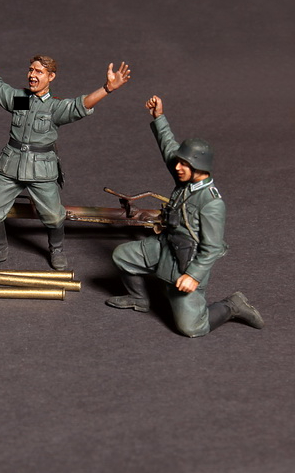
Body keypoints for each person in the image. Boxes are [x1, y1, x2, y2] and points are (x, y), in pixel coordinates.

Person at [0, 30, 131, 270]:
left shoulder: (55, 108)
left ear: (51, 76)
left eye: (39, 72)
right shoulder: (22, 100)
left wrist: (107, 89)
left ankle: (56, 250)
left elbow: (80, 106)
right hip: (11, 166)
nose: (32, 75)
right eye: (31, 70)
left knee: (54, 217)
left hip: (41, 170)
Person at [106, 95, 263, 337]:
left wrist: (193, 276)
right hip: (164, 246)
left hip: (186, 261)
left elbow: (212, 248)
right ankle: (139, 298)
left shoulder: (211, 203)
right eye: (179, 162)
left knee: (192, 328)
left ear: (199, 167)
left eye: (183, 164)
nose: (177, 167)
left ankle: (233, 305)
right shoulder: (185, 180)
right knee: (122, 256)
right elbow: (168, 147)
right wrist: (159, 117)